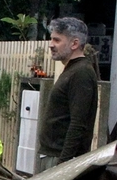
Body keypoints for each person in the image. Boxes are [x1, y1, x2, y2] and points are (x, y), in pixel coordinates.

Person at [37, 17, 99, 170]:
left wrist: (63, 164)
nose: (51, 45)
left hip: (60, 160)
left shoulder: (81, 73)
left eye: (57, 40)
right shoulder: (73, 70)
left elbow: (78, 123)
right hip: (53, 156)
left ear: (75, 43)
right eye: (51, 39)